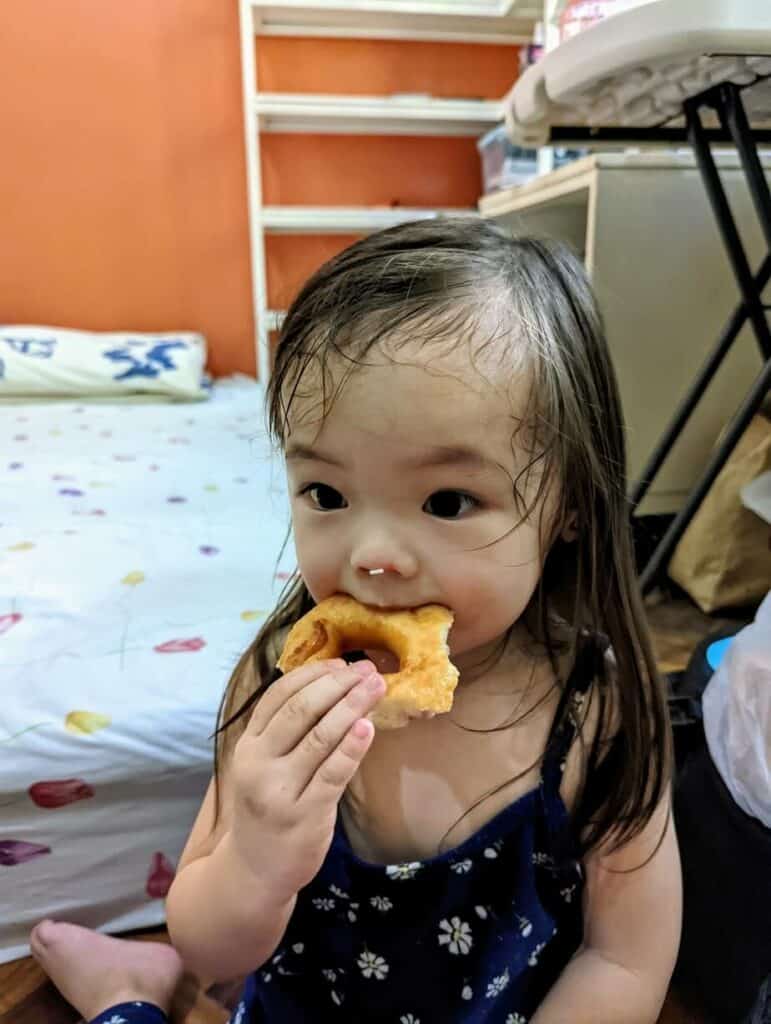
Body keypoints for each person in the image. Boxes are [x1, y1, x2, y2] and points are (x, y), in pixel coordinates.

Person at [30, 220, 681, 1023]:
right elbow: (215, 952)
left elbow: (623, 956)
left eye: (447, 502)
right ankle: (130, 991)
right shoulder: (282, 681)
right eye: (326, 494)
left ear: (571, 509)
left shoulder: (593, 710)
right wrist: (258, 859)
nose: (372, 555)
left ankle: (128, 989)